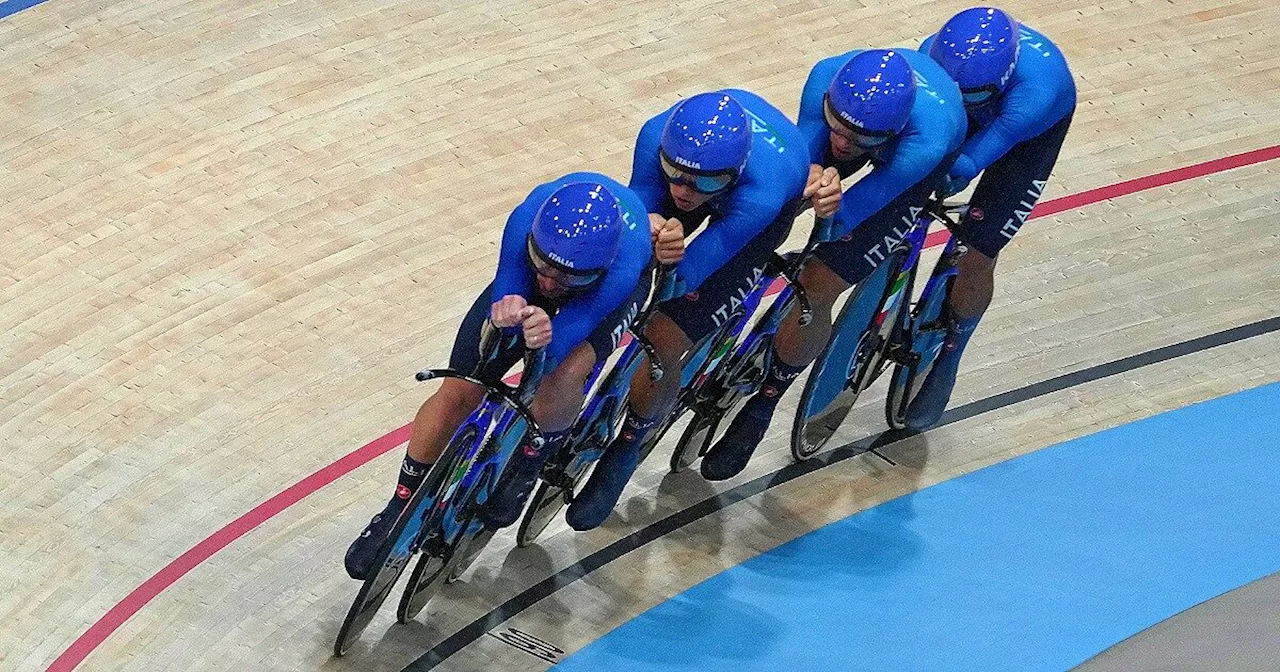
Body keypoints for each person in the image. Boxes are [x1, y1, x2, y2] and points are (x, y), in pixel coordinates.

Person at [344, 174, 653, 580]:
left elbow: (569, 334)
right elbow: (512, 282)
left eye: (565, 277)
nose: (548, 282)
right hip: (557, 270)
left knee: (562, 374)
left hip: (595, 303)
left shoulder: (625, 263)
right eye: (542, 267)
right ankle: (400, 503)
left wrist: (548, 336)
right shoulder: (527, 220)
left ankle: (530, 459)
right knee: (459, 390)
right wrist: (508, 307)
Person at [699, 48, 967, 479]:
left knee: (818, 281)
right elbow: (803, 161)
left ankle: (767, 397)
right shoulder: (826, 76)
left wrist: (829, 212)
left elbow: (854, 210)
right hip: (868, 125)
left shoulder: (927, 138)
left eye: (856, 140)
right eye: (838, 129)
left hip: (904, 167)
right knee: (784, 195)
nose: (843, 144)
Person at [563, 90, 824, 530]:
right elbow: (635, 227)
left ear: (734, 172)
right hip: (715, 175)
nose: (684, 192)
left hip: (749, 220)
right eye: (676, 176)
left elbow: (686, 275)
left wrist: (669, 270)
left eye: (701, 184)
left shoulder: (762, 191)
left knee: (666, 334)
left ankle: (630, 442)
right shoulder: (654, 141)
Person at [906, 7, 1076, 429]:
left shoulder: (1036, 93)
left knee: (978, 250)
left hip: (1023, 139)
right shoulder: (933, 54)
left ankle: (952, 351)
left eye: (975, 93)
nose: (964, 99)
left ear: (1000, 79)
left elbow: (968, 166)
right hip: (975, 108)